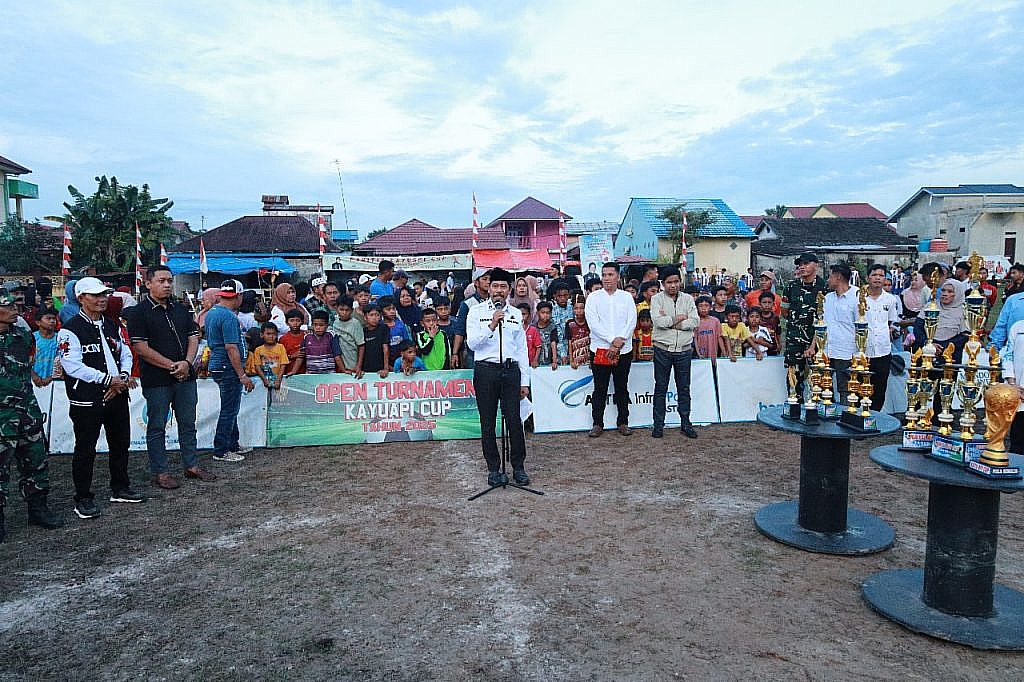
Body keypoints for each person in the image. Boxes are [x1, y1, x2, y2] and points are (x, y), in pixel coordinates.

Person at [57, 277, 142, 518]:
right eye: (95, 295)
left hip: (116, 394)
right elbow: (72, 365)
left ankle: (120, 487)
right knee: (85, 449)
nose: (102, 299)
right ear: (81, 298)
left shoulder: (111, 324)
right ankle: (83, 498)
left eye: (104, 294)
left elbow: (125, 352)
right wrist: (107, 380)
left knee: (120, 443)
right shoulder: (70, 329)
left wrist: (122, 377)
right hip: (86, 399)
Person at [125, 265, 215, 490]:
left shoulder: (181, 309)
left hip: (185, 377)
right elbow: (141, 348)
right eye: (161, 281)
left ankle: (191, 465)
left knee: (188, 423)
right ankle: (160, 472)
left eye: (169, 281)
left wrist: (187, 363)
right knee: (157, 425)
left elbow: (194, 337)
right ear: (148, 284)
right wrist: (172, 366)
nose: (167, 285)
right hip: (157, 379)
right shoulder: (138, 312)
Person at [0, 288, 60, 541]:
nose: (15, 310)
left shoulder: (23, 335)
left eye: (15, 306)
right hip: (2, 415)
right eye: (8, 306)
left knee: (36, 460)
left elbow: (29, 365)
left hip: (26, 409)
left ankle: (38, 509)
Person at [465, 267, 531, 486]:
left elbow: (521, 350)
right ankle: (493, 469)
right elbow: (472, 344)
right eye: (495, 286)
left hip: (510, 371)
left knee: (515, 420)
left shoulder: (515, 314)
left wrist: (525, 381)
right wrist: (492, 324)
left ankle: (518, 467)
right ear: (488, 288)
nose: (499, 291)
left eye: (503, 287)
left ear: (509, 289)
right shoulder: (476, 312)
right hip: (486, 371)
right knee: (487, 422)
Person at [204, 279, 255, 463]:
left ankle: (232, 444)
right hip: (227, 366)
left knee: (230, 407)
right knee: (229, 409)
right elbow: (231, 347)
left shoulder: (212, 312)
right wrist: (242, 374)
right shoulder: (228, 317)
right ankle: (221, 449)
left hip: (219, 364)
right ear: (238, 296)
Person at [584, 263, 638, 437]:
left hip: (623, 349)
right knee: (600, 388)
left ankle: (623, 422)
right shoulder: (593, 298)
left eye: (610, 275)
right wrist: (611, 340)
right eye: (604, 275)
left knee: (622, 387)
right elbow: (593, 323)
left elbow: (631, 321)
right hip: (600, 349)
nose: (606, 278)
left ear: (618, 277)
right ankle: (597, 423)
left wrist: (619, 342)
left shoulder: (626, 297)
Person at [649, 267, 699, 438]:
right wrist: (677, 318)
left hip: (684, 350)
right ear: (663, 284)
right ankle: (658, 425)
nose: (673, 285)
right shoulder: (656, 299)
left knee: (684, 388)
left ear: (680, 282)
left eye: (676, 281)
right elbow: (658, 321)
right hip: (662, 349)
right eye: (669, 282)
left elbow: (695, 321)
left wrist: (673, 323)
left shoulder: (688, 299)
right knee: (660, 387)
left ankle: (686, 423)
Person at [782, 252, 827, 398]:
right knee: (793, 376)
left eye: (806, 264)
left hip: (817, 339)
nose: (802, 267)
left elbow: (826, 317)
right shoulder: (791, 287)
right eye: (800, 265)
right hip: (794, 338)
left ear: (816, 265)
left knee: (818, 377)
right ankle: (794, 405)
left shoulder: (824, 287)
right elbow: (784, 311)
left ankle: (818, 406)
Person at [865, 263, 901, 411]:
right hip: (863, 351)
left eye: (881, 275)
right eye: (874, 275)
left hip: (883, 350)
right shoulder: (858, 297)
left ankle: (876, 417)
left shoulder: (890, 299)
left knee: (879, 389)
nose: (878, 278)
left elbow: (892, 321)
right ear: (867, 278)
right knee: (861, 388)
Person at [452, 268, 490, 369]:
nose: (488, 282)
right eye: (484, 279)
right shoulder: (467, 303)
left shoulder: (496, 301)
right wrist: (455, 353)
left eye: (490, 279)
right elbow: (460, 330)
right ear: (476, 282)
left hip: (493, 351)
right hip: (473, 353)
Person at [245, 321, 291, 390]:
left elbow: (283, 365)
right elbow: (257, 366)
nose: (271, 336)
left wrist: (278, 380)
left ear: (277, 335)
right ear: (261, 335)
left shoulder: (281, 347)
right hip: (262, 381)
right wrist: (264, 380)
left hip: (278, 380)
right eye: (268, 334)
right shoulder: (258, 350)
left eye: (274, 334)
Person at [331, 295, 365, 377]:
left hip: (353, 363)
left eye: (347, 310)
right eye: (341, 309)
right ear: (336, 309)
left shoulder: (355, 323)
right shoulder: (335, 323)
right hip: (340, 366)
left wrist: (359, 366)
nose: (344, 313)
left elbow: (361, 345)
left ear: (352, 310)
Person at [303, 310, 346, 374]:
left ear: (327, 325)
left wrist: (344, 370)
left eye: (321, 325)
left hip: (329, 374)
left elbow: (337, 356)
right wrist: (293, 371)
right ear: (312, 325)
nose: (318, 328)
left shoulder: (331, 336)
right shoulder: (306, 337)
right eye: (315, 325)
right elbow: (300, 357)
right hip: (311, 375)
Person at [31, 307, 59, 387]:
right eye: (48, 318)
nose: (52, 321)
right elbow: (24, 360)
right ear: (38, 322)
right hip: (33, 380)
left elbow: (64, 361)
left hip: (55, 382)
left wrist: (52, 377)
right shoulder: (31, 338)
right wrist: (33, 375)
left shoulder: (60, 339)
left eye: (54, 318)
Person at [361, 305, 390, 377]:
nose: (374, 318)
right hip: (365, 368)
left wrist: (386, 368)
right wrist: (359, 368)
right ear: (365, 317)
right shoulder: (362, 331)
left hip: (380, 368)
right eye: (371, 315)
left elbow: (385, 349)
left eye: (377, 315)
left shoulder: (384, 328)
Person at [548, 282, 573, 364]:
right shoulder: (552, 309)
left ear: (569, 295)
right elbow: (557, 332)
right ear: (554, 296)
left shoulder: (572, 307)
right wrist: (563, 354)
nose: (563, 298)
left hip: (572, 348)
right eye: (559, 296)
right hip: (556, 349)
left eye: (565, 295)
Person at [566, 294, 590, 369]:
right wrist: (571, 360)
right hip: (575, 357)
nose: (579, 311)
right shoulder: (570, 323)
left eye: (582, 308)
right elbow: (569, 342)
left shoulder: (589, 322)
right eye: (576, 308)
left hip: (588, 358)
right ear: (573, 309)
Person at [533, 300, 559, 371]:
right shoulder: (533, 327)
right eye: (543, 312)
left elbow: (553, 343)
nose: (545, 315)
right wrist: (534, 360)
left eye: (548, 313)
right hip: (535, 361)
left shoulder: (552, 327)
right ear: (538, 313)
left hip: (549, 361)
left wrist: (554, 361)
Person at [280, 309, 306, 375]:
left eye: (298, 320)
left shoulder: (306, 336)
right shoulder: (283, 339)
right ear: (287, 322)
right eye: (292, 320)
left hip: (306, 372)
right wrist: (292, 356)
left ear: (302, 322)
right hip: (288, 372)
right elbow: (280, 358)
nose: (295, 323)